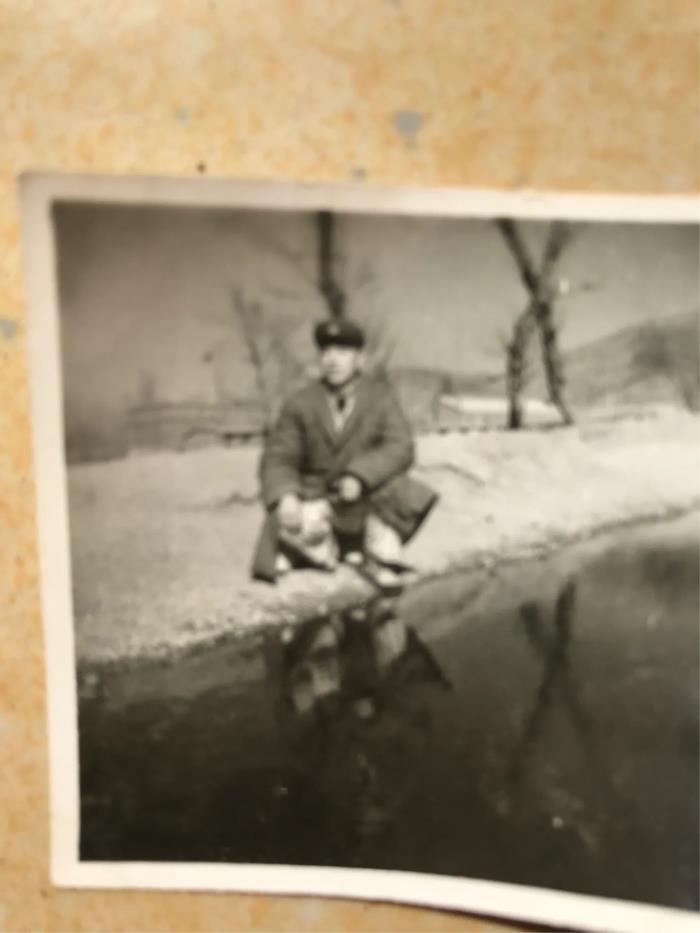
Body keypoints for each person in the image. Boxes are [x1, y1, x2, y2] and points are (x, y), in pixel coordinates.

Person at [251, 317, 438, 586]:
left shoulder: (380, 398)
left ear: (360, 359)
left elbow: (401, 446)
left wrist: (360, 475)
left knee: (402, 494)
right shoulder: (300, 403)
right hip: (317, 497)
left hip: (366, 500)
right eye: (326, 351)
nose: (332, 359)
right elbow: (279, 456)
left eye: (342, 351)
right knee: (287, 521)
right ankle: (326, 549)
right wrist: (285, 495)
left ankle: (374, 557)